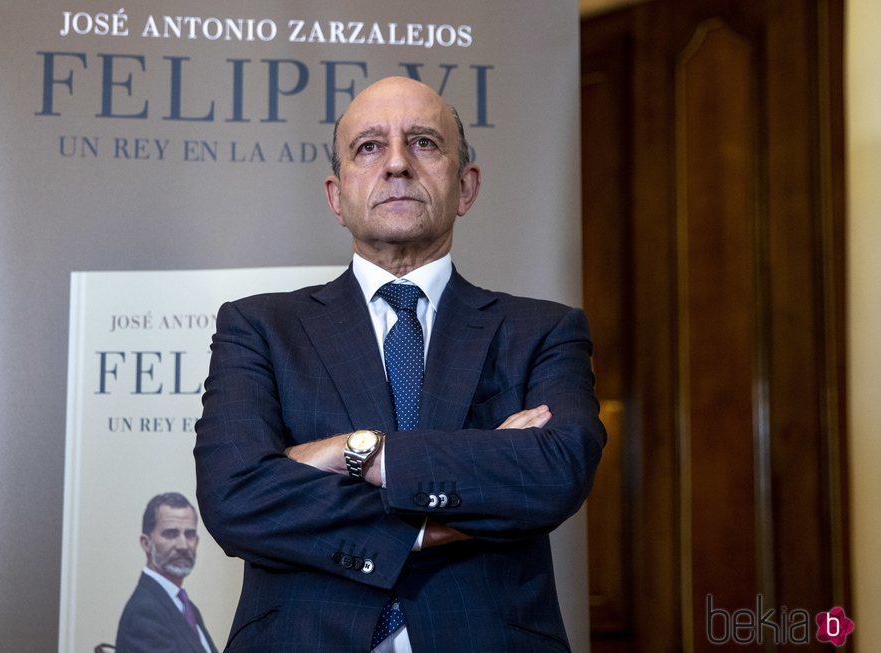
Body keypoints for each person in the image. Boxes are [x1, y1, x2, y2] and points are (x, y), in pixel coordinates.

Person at [194, 76, 606, 652]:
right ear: (336, 198)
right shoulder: (258, 328)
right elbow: (234, 498)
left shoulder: (544, 331)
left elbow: (554, 473)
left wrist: (354, 452)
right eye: (369, 147)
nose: (396, 165)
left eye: (423, 143)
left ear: (466, 187)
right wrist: (444, 513)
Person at [116, 492, 218, 653]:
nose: (183, 545)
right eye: (171, 534)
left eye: (189, 534)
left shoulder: (185, 606)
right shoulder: (144, 613)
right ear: (146, 543)